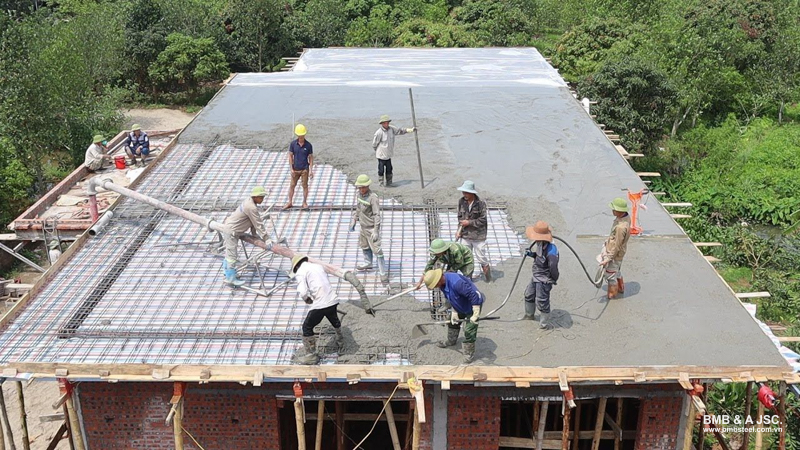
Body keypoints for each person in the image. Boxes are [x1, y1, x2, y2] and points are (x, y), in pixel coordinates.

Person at [423, 268, 484, 363]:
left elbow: (473, 295)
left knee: (469, 330)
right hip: (460, 304)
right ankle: (451, 341)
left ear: (438, 280)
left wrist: (476, 312)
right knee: (452, 322)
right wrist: (454, 310)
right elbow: (451, 296)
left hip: (472, 305)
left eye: (435, 285)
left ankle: (469, 354)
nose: (435, 287)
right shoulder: (442, 284)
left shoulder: (457, 283)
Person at [292, 254, 343, 365]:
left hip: (321, 303)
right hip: (332, 299)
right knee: (333, 319)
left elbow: (303, 292)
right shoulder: (318, 266)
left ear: (296, 267)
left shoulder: (301, 271)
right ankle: (341, 342)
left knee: (307, 327)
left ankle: (311, 356)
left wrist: (307, 300)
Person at [222, 187, 272, 286]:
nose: (263, 199)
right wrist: (266, 238)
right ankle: (230, 278)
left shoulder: (248, 201)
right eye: (261, 197)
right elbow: (258, 223)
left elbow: (251, 221)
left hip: (230, 228)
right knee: (232, 256)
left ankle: (227, 272)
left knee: (229, 253)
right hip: (232, 231)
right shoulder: (251, 207)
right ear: (256, 197)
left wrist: (254, 235)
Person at [350, 174, 388, 282]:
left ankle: (382, 273)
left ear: (367, 186)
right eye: (359, 187)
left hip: (371, 227)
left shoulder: (373, 198)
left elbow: (377, 215)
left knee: (377, 250)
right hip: (363, 226)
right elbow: (358, 208)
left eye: (363, 187)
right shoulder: (359, 195)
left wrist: (376, 230)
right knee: (364, 245)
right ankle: (368, 263)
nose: (361, 189)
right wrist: (354, 219)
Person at [522, 221, 560, 329]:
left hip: (544, 279)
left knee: (542, 301)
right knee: (528, 294)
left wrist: (552, 279)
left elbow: (553, 267)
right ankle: (529, 316)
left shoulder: (551, 251)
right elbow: (539, 258)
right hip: (536, 275)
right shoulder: (540, 243)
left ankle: (543, 325)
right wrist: (531, 254)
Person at [456, 180, 491, 281]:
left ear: (472, 193)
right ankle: (468, 280)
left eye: (466, 192)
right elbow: (460, 218)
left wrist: (469, 223)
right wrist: (458, 230)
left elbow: (483, 220)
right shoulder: (461, 202)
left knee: (481, 258)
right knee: (466, 258)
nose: (464, 194)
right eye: (463, 192)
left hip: (478, 236)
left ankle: (489, 279)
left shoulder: (480, 204)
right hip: (465, 235)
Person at [372, 115, 415, 187]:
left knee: (389, 169)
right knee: (381, 170)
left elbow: (400, 131)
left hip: (388, 155)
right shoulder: (378, 133)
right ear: (382, 124)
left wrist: (410, 130)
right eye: (385, 123)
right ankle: (381, 184)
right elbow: (374, 144)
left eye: (387, 123)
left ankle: (389, 183)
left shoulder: (392, 129)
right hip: (381, 156)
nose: (386, 124)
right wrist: (378, 152)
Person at [600, 198, 631, 299]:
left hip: (615, 254)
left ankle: (612, 296)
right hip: (620, 252)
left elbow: (617, 246)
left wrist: (607, 259)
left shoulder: (620, 227)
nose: (612, 211)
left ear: (619, 211)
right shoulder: (626, 218)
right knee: (617, 271)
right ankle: (621, 289)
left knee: (610, 275)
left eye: (614, 209)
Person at [284, 124, 313, 210]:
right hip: (295, 169)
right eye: (299, 135)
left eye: (302, 135)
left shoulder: (308, 145)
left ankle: (304, 202)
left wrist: (311, 170)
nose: (301, 137)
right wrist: (291, 169)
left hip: (304, 169)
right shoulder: (293, 144)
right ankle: (290, 202)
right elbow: (290, 156)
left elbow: (311, 158)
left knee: (305, 186)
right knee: (292, 186)